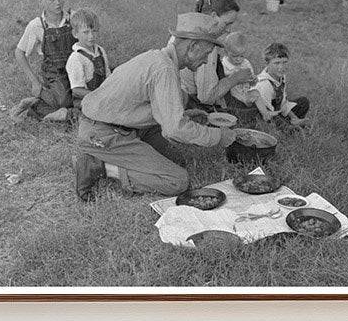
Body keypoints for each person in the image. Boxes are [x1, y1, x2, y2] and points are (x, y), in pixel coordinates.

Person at [73, 13, 259, 201]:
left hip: (116, 124)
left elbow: (149, 105)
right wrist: (219, 136)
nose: (205, 60)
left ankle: (121, 157)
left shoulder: (159, 58)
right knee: (177, 181)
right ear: (192, 47)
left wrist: (185, 114)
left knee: (176, 159)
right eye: (206, 53)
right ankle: (98, 166)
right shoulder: (165, 69)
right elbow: (175, 129)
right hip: (103, 133)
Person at [11, 0, 75, 122]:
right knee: (64, 101)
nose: (58, 3)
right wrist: (35, 82)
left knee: (89, 93)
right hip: (55, 73)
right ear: (41, 1)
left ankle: (54, 107)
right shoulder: (36, 26)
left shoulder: (72, 18)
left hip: (74, 67)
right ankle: (37, 102)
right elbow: (19, 53)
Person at [180, 0, 254, 110]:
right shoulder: (205, 44)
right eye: (227, 23)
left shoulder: (187, 26)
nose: (229, 30)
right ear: (213, 16)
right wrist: (235, 78)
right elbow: (206, 97)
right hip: (185, 102)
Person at [253, 42, 310, 126]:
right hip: (266, 114)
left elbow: (283, 102)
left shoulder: (281, 77)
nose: (281, 67)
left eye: (284, 62)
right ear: (267, 63)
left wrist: (294, 118)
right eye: (277, 63)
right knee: (277, 121)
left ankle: (293, 123)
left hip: (276, 109)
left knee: (303, 102)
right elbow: (266, 114)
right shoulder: (264, 84)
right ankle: (288, 127)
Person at [65, 8, 111, 104]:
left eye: (94, 31)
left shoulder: (100, 50)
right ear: (75, 34)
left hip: (103, 94)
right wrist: (99, 97)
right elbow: (77, 90)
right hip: (85, 100)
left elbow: (108, 75)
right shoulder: (76, 58)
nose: (91, 36)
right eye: (86, 32)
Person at [219, 31, 262, 120]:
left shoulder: (246, 63)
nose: (239, 59)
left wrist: (253, 80)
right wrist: (234, 77)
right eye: (235, 56)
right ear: (226, 52)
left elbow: (251, 82)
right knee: (241, 110)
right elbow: (222, 83)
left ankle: (266, 114)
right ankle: (246, 111)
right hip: (232, 97)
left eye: (242, 56)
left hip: (245, 93)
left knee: (256, 93)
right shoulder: (224, 65)